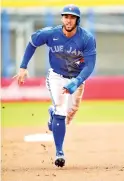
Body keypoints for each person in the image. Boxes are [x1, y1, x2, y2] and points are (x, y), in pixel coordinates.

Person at [14, 4, 96, 167]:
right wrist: (23, 67)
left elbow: (90, 65)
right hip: (57, 76)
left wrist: (77, 81)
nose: (68, 20)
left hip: (77, 78)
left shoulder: (86, 38)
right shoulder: (51, 33)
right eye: (66, 16)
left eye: (72, 17)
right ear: (62, 18)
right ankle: (59, 152)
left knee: (70, 113)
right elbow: (32, 43)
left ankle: (52, 116)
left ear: (77, 20)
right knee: (61, 110)